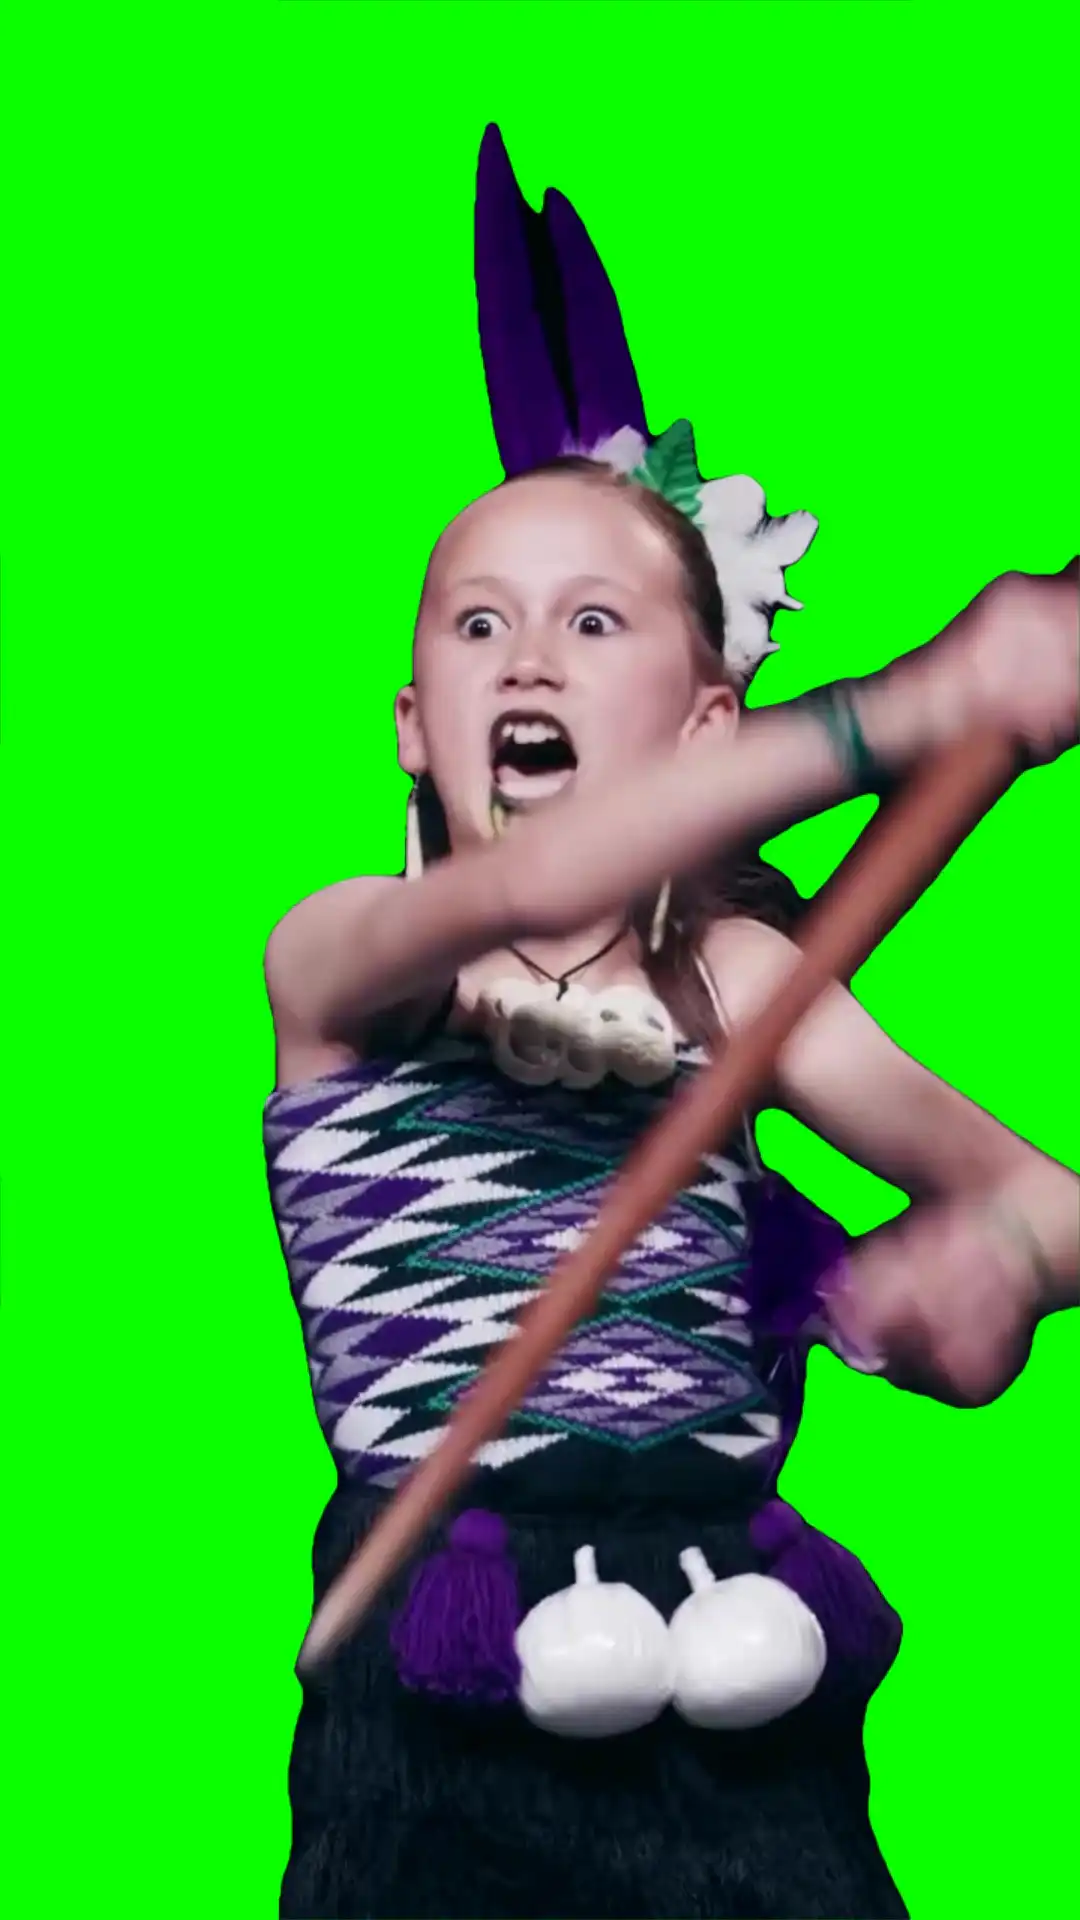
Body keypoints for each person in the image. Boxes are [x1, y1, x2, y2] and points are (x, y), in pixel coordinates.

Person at [262, 130, 1078, 1919]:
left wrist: (990, 1274)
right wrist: (906, 712)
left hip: (743, 1676)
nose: (528, 661)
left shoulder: (740, 988)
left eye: (594, 619)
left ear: (708, 724)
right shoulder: (345, 963)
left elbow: (1046, 1207)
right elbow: (544, 876)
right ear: (411, 724)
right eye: (480, 623)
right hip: (449, 1671)